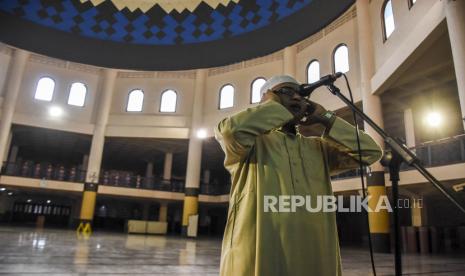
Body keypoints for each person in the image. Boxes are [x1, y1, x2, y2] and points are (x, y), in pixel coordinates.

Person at [214, 75, 382, 276]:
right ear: (267, 99)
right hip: (261, 251)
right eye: (286, 92)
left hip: (315, 253)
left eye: (300, 94)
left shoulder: (317, 148)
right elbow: (230, 132)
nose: (296, 97)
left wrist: (326, 118)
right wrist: (273, 105)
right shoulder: (250, 144)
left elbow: (371, 152)